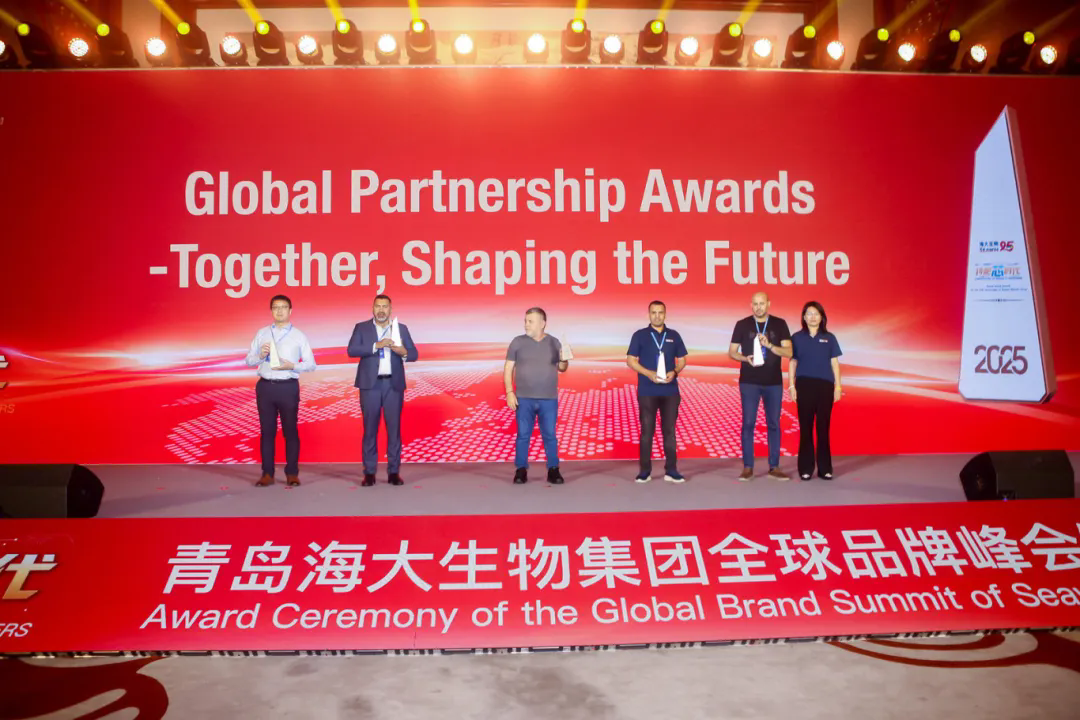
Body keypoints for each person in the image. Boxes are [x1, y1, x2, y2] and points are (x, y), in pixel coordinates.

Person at [244, 294, 316, 487]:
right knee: (267, 432)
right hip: (266, 387)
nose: (279, 311)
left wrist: (291, 365)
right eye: (276, 307)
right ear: (271, 311)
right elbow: (249, 360)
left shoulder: (299, 336)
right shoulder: (262, 333)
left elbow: (311, 364)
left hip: (288, 387)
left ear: (290, 311)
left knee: (290, 431)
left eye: (283, 307)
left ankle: (292, 473)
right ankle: (267, 473)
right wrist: (260, 355)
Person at [347, 294, 418, 487]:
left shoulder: (401, 329)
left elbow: (414, 353)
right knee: (370, 429)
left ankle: (394, 472)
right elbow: (351, 350)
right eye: (377, 306)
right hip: (370, 386)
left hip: (393, 385)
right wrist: (376, 346)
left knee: (394, 430)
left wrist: (403, 352)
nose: (381, 310)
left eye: (385, 306)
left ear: (390, 309)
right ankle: (369, 472)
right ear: (372, 308)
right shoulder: (361, 327)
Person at [728, 291, 793, 481]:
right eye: (755, 304)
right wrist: (744, 358)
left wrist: (771, 345)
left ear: (768, 304)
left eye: (762, 303)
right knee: (748, 424)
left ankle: (774, 467)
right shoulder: (742, 324)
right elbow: (732, 352)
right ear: (751, 305)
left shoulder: (779, 324)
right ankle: (748, 467)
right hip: (749, 382)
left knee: (774, 424)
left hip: (773, 382)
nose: (758, 307)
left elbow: (789, 352)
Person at [504, 307, 569, 485]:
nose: (526, 324)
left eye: (530, 321)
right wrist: (509, 392)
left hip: (549, 398)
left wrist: (564, 359)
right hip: (523, 398)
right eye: (525, 321)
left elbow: (562, 368)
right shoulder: (517, 342)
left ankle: (553, 469)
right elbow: (508, 368)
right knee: (523, 435)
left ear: (542, 323)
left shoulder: (554, 342)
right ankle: (521, 469)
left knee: (550, 435)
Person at [626, 300, 688, 483]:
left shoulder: (674, 335)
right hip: (647, 390)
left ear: (665, 314)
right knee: (647, 432)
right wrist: (648, 374)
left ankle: (672, 470)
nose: (657, 316)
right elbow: (630, 360)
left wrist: (675, 371)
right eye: (654, 312)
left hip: (670, 391)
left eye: (660, 312)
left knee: (669, 432)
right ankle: (645, 471)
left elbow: (683, 360)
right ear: (649, 315)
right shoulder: (640, 335)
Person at [789, 301, 843, 481]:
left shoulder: (830, 338)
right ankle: (805, 468)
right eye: (809, 314)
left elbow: (835, 364)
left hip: (825, 386)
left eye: (816, 314)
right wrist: (791, 385)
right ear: (804, 317)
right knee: (805, 428)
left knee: (823, 428)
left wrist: (838, 386)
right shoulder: (796, 337)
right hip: (804, 385)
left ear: (822, 317)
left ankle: (825, 468)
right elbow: (793, 362)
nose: (812, 317)